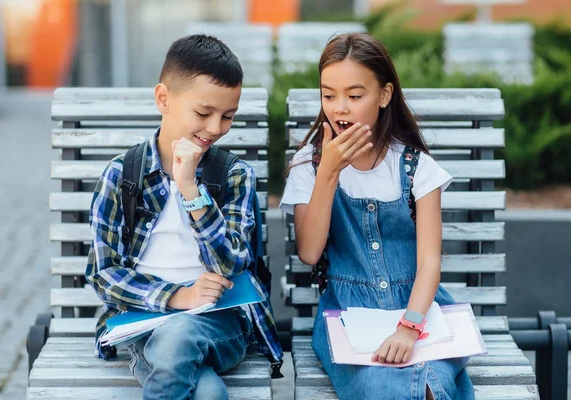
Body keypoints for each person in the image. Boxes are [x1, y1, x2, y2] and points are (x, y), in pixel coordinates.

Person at [85, 34, 282, 400]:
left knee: (179, 336)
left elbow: (232, 264)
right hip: (144, 321)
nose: (215, 128)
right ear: (164, 99)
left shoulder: (235, 175)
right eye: (204, 113)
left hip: (220, 321)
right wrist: (177, 296)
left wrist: (191, 192)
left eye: (227, 116)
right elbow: (103, 273)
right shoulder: (121, 175)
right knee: (208, 393)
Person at [280, 32, 474, 399]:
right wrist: (328, 174)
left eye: (355, 96)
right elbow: (309, 252)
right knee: (377, 383)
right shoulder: (311, 165)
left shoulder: (417, 167)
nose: (339, 108)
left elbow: (429, 262)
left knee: (430, 383)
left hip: (418, 307)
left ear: (384, 95)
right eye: (328, 95)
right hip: (349, 313)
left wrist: (409, 326)